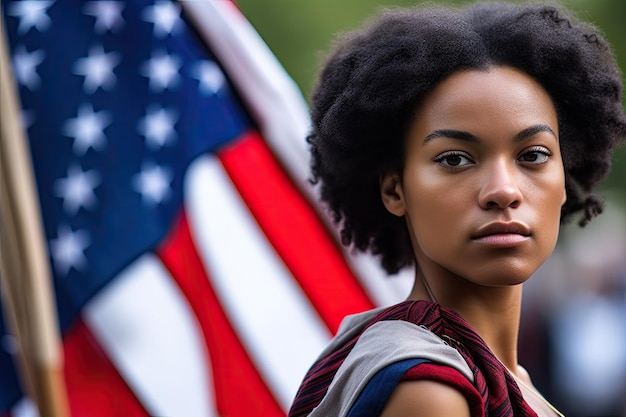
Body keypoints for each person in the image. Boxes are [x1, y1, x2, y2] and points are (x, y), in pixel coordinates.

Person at [288, 1, 626, 416]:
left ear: (565, 174)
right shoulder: (430, 389)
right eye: (455, 159)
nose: (503, 190)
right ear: (395, 189)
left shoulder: (504, 377)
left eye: (533, 155)